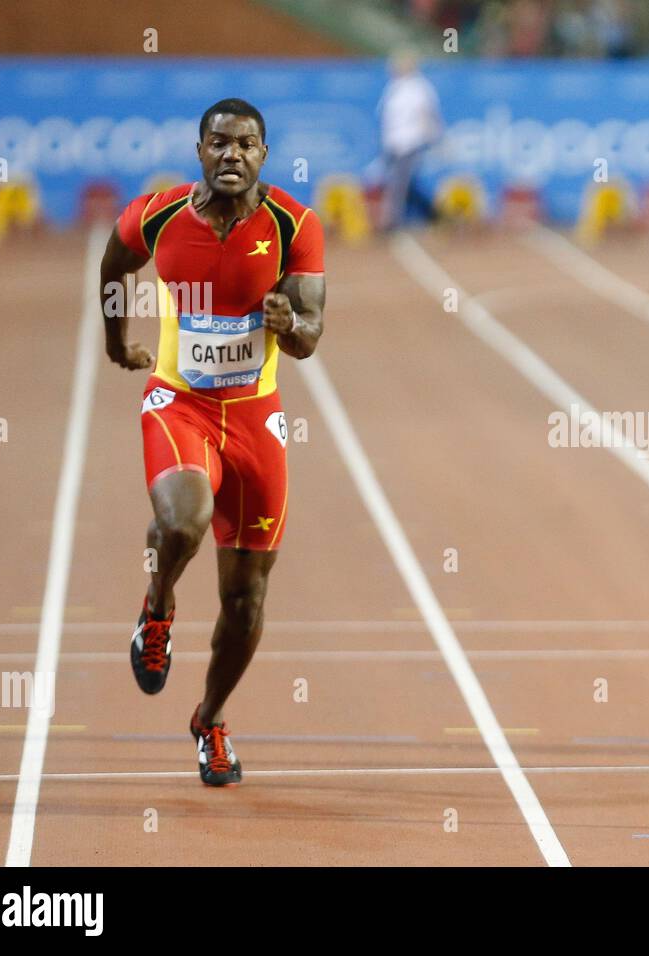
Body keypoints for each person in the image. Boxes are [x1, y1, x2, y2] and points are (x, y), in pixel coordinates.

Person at [100, 98, 326, 786]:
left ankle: (210, 720)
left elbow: (311, 337)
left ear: (264, 155)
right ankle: (158, 605)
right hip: (181, 405)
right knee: (183, 520)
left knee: (246, 600)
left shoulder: (294, 226)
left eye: (247, 145)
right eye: (220, 143)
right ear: (199, 149)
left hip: (256, 420)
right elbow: (114, 268)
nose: (232, 155)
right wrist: (118, 345)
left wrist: (289, 326)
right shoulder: (157, 215)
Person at [377, 52, 443, 231]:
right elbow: (388, 118)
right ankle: (433, 213)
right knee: (402, 182)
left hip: (409, 142)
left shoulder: (419, 87)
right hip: (393, 143)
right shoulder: (394, 87)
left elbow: (428, 114)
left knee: (399, 182)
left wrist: (433, 137)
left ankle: (391, 221)